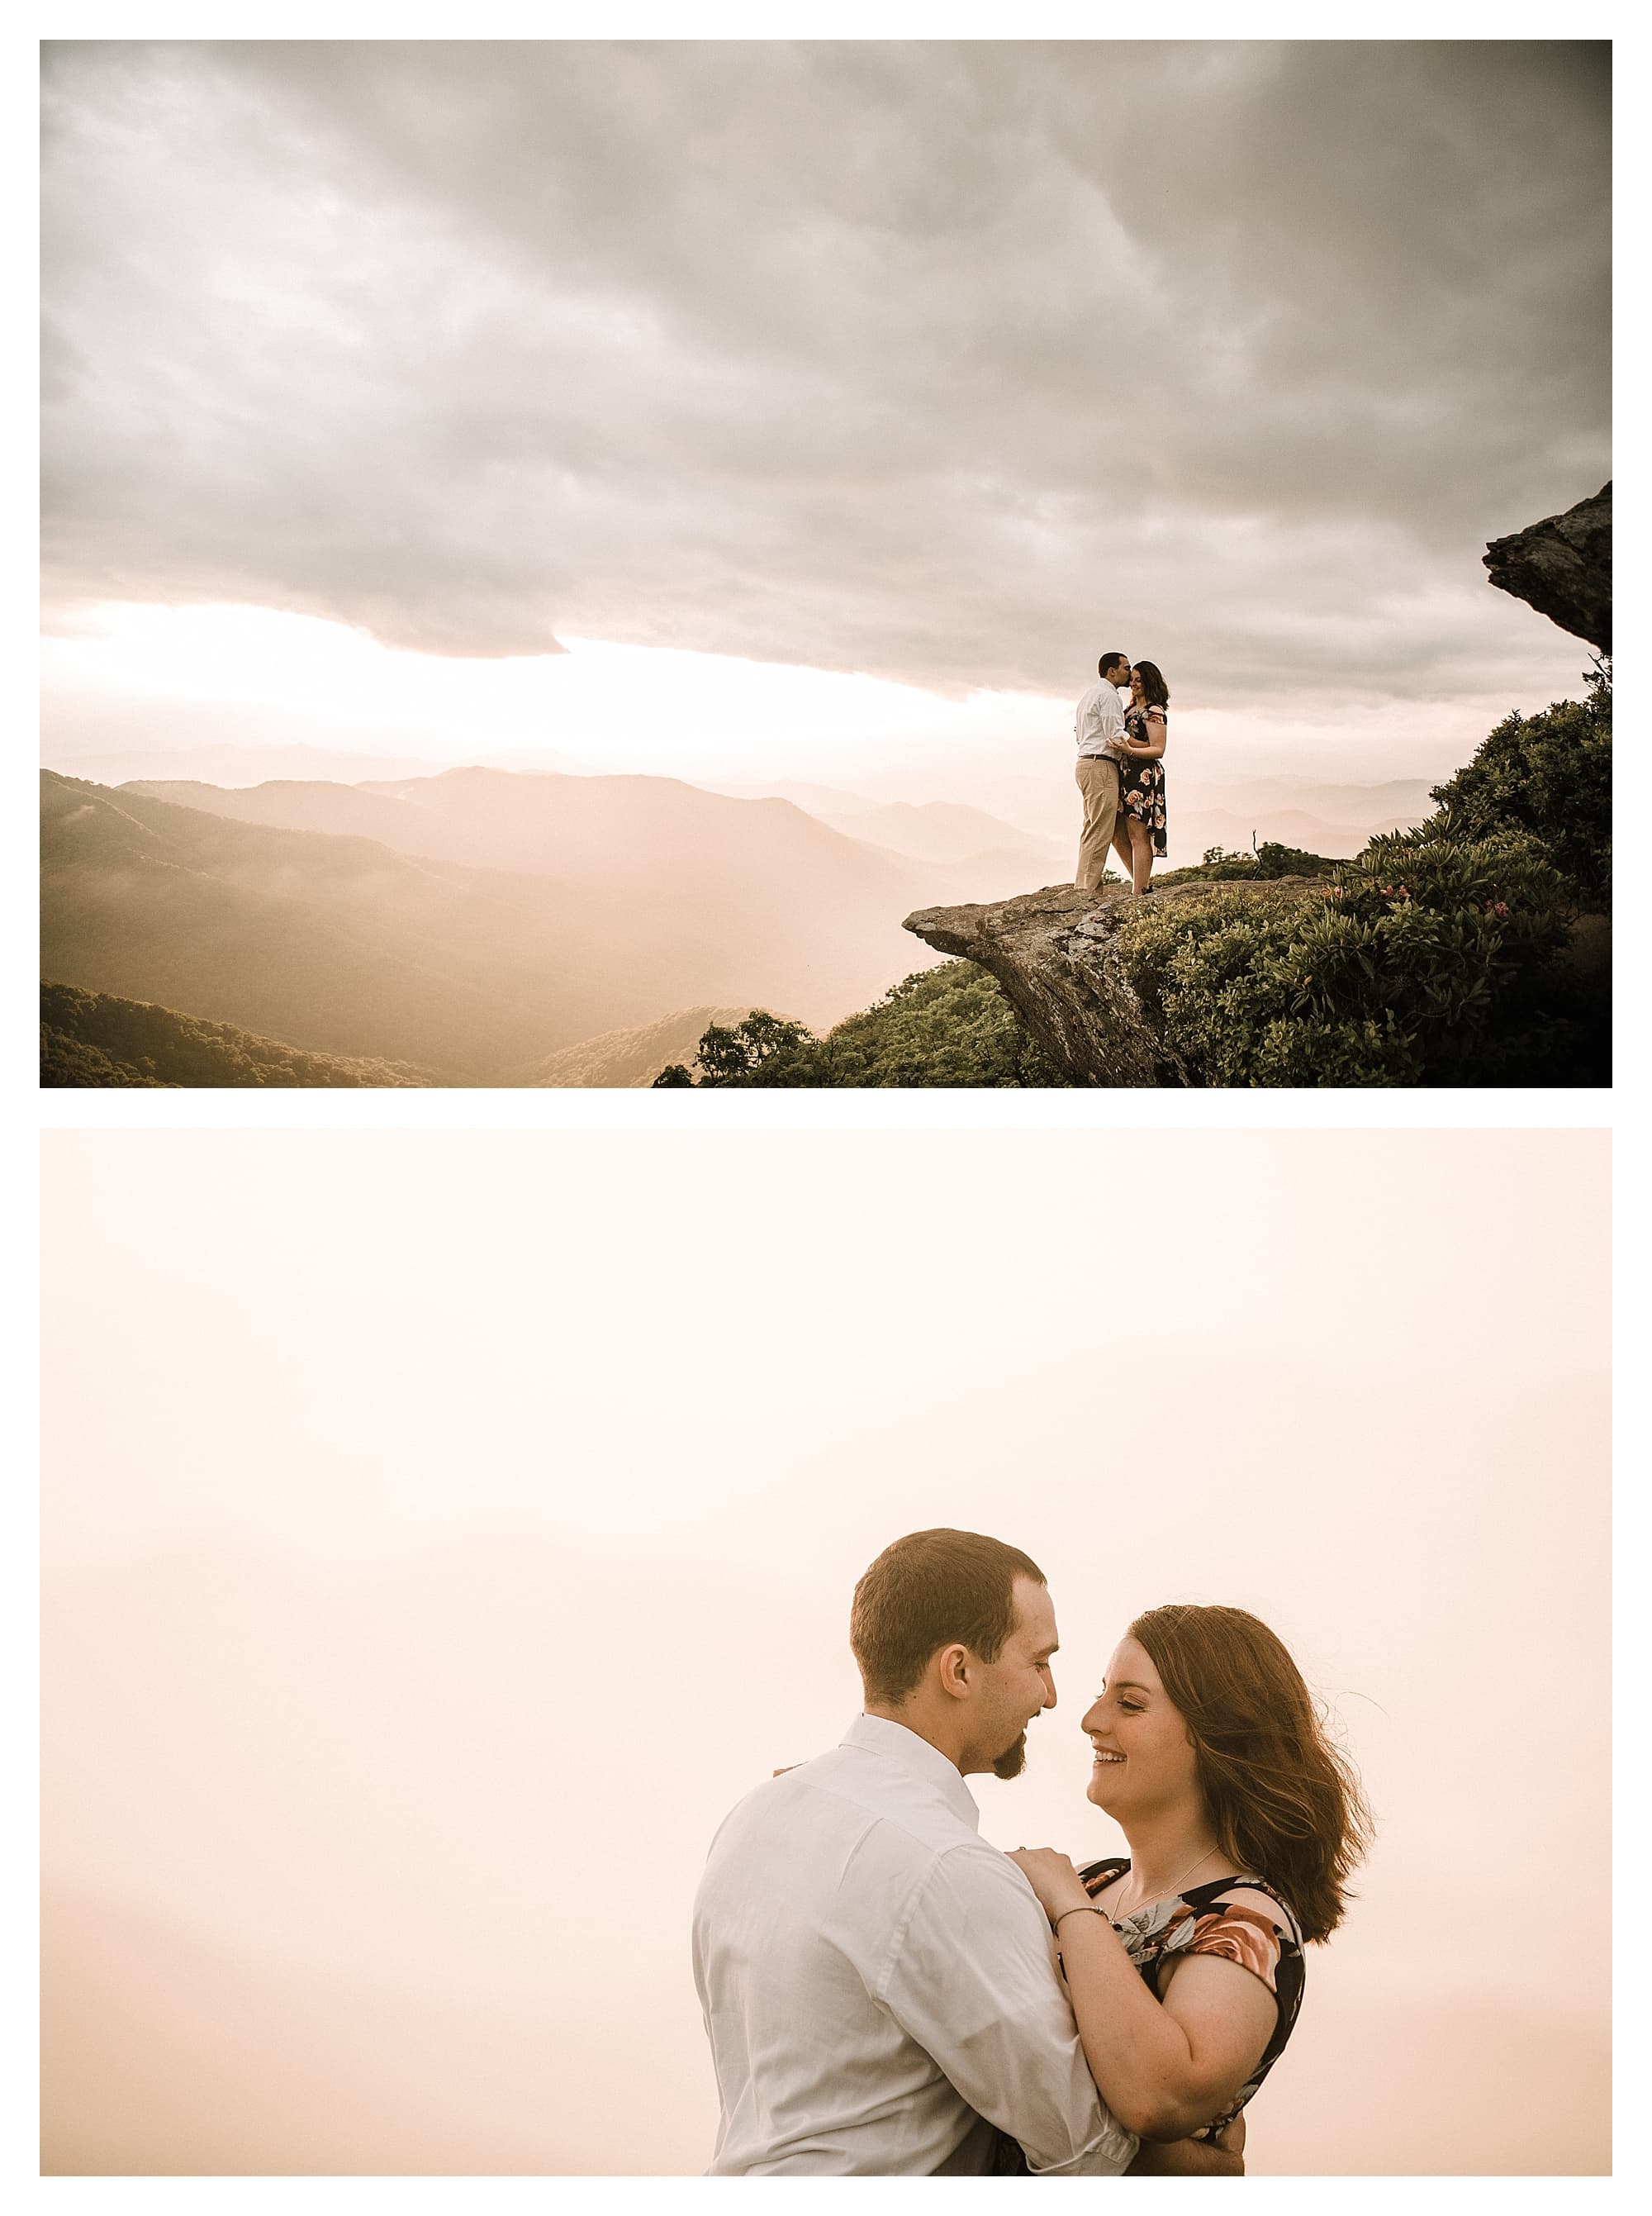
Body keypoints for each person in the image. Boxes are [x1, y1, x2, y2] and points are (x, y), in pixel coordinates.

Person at [690, 1530, 1245, 2176]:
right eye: (1037, 1662)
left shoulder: (755, 1815)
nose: (1052, 1696)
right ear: (958, 1671)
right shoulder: (947, 1867)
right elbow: (1084, 2153)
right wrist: (1206, 2168)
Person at [1008, 1604, 1373, 2157]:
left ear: (1217, 1737)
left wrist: (1066, 1906)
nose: (1091, 1720)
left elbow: (1161, 2099)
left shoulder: (1247, 1921)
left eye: (1129, 1703)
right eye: (1102, 1693)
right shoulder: (1091, 1881)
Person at [1110, 661, 1170, 896]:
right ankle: (1142, 883)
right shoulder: (1130, 709)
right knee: (1117, 834)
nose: (1133, 684)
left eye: (1138, 680)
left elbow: (1158, 749)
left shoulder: (1154, 711)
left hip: (1142, 776)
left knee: (1138, 834)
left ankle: (1140, 891)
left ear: (1148, 682)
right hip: (1124, 773)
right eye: (1132, 679)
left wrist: (1129, 750)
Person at [1074, 651, 1132, 893]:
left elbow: (1079, 733)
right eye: (1126, 668)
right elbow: (1115, 736)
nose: (1130, 672)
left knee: (1092, 826)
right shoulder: (1109, 697)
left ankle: (1088, 885)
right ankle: (1086, 890)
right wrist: (1146, 747)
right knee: (1099, 829)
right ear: (1112, 671)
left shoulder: (1089, 695)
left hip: (1086, 763)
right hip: (1101, 765)